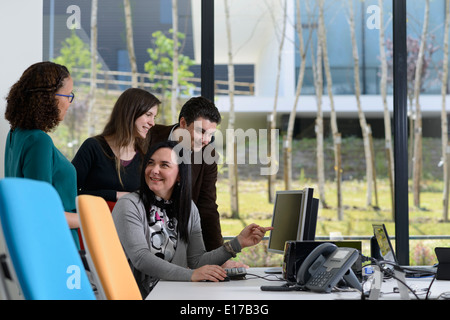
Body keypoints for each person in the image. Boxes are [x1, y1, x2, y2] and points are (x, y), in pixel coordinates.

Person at [112, 140, 272, 298]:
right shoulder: (129, 205)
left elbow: (196, 260)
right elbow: (141, 258)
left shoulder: (188, 209)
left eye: (164, 165)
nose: (154, 170)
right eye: (151, 163)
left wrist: (238, 243)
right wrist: (191, 274)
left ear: (180, 175)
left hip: (173, 293)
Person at [4, 61, 80, 247]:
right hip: (56, 243)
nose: (69, 102)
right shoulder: (39, 141)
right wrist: (90, 219)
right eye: (68, 95)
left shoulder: (16, 134)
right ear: (49, 98)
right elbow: (42, 212)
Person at [148, 96, 222, 251]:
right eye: (201, 132)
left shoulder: (208, 155)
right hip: (144, 232)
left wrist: (219, 256)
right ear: (183, 123)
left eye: (210, 134)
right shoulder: (149, 136)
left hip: (181, 240)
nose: (206, 140)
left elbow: (207, 207)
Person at [72, 88, 160, 211]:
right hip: (93, 225)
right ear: (130, 113)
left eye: (154, 117)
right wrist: (115, 195)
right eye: (148, 115)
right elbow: (70, 192)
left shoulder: (144, 157)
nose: (152, 123)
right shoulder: (93, 147)